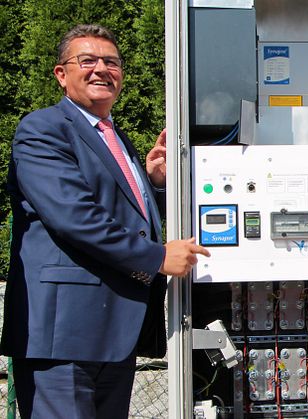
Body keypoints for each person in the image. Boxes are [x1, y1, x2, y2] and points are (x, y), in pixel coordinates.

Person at [1, 24, 210, 418]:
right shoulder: (43, 129)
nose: (101, 69)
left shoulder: (115, 138)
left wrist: (154, 184)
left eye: (111, 62)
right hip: (63, 336)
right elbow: (74, 217)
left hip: (113, 333)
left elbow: (123, 214)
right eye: (88, 61)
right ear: (61, 74)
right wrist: (156, 257)